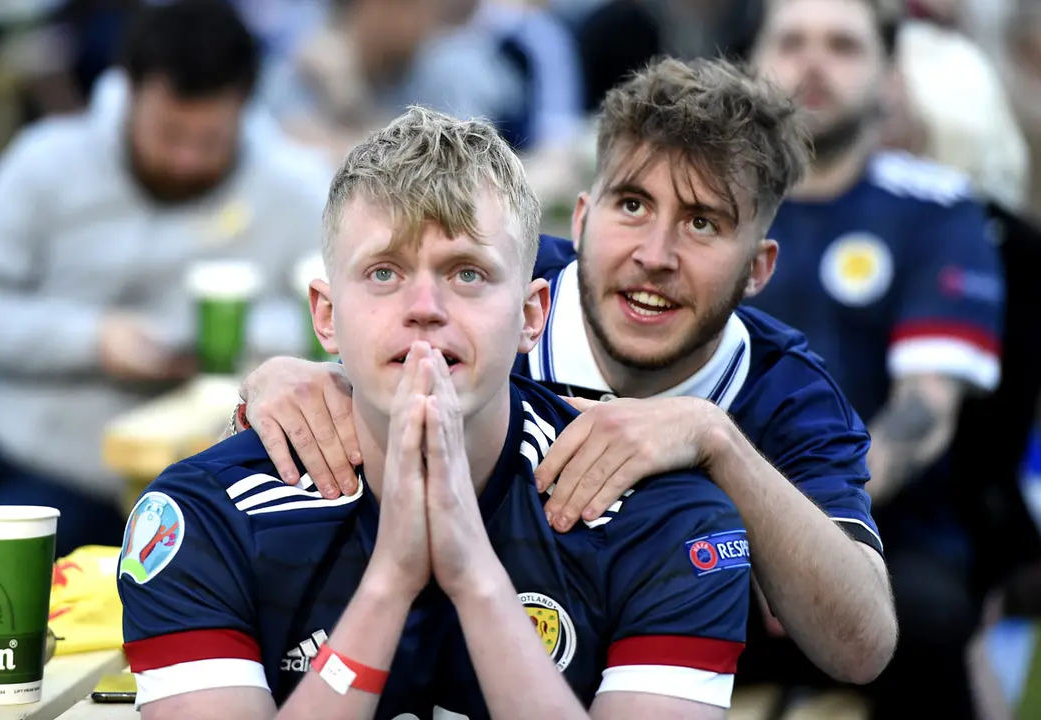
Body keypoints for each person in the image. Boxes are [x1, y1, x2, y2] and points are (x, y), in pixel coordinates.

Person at [227, 56, 898, 684]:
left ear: (758, 268)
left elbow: (863, 645)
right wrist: (283, 375)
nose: (655, 254)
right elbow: (376, 304)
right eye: (631, 205)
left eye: (702, 223)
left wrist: (714, 441)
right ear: (580, 217)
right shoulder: (494, 284)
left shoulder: (788, 388)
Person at [118, 106, 753, 719]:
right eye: (385, 273)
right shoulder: (201, 514)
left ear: (532, 315)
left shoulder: (665, 516)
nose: (425, 306)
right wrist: (388, 583)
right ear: (327, 316)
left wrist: (474, 576)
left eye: (468, 273)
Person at [0, 0, 329, 557]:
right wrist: (93, 340)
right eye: (168, 133)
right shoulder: (46, 161)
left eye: (208, 141)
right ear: (128, 92)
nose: (184, 159)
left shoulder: (295, 190)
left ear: (245, 107)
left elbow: (331, 322)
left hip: (102, 484)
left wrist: (212, 337)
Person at [745, 0, 1005, 716]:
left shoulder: (936, 210)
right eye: (792, 40)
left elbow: (926, 410)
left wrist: (803, 541)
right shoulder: (709, 204)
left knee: (926, 617)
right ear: (753, 64)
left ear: (890, 78)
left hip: (885, 538)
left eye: (843, 45)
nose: (813, 62)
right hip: (707, 528)